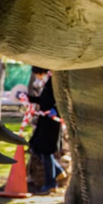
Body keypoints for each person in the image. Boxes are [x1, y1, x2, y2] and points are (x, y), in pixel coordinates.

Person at [26, 66, 65, 194]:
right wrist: (28, 98)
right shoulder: (48, 82)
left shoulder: (55, 81)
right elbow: (44, 101)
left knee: (45, 151)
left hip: (51, 122)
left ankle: (51, 183)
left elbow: (60, 100)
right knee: (35, 146)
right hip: (44, 121)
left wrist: (55, 111)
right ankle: (59, 171)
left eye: (37, 74)